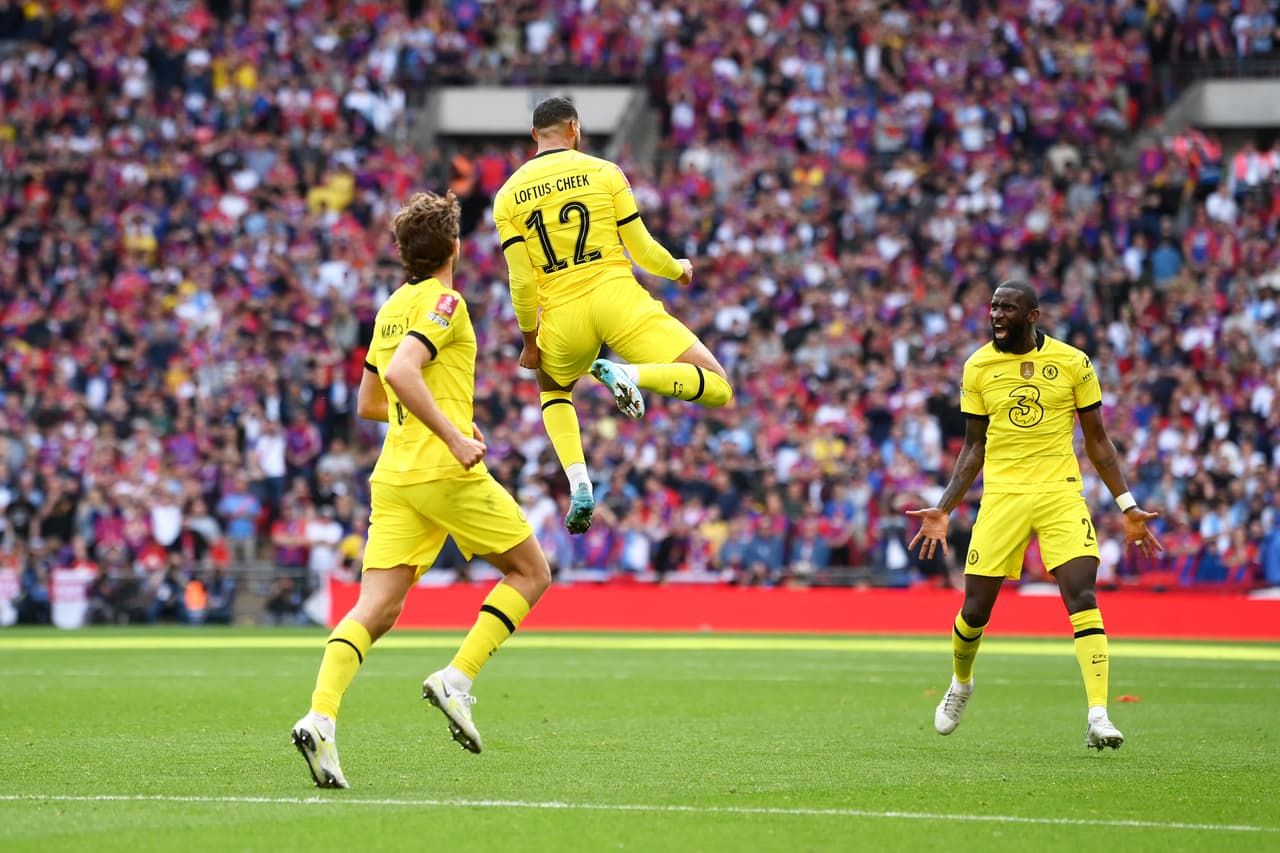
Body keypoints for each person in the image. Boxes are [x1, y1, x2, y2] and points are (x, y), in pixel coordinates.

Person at [291, 191, 553, 788]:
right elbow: (404, 374)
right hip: (441, 471)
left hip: (394, 477)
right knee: (530, 572)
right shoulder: (445, 301)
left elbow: (369, 402)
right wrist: (454, 436)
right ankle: (456, 679)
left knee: (376, 609)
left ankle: (321, 717)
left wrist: (447, 418)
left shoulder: (390, 307)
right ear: (455, 247)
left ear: (402, 252)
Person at [905, 281, 1163, 750]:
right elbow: (973, 448)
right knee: (975, 610)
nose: (997, 314)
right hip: (1003, 497)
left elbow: (1098, 441)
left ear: (1033, 315)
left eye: (1008, 308)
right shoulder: (978, 366)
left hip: (1060, 493)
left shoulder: (1073, 362)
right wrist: (944, 508)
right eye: (994, 307)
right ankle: (961, 683)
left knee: (1082, 594)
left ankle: (1098, 715)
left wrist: (1127, 505)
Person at [492, 96, 733, 535]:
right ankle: (632, 376)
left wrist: (530, 341)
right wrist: (678, 269)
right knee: (717, 386)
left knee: (553, 389)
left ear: (534, 136)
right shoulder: (605, 173)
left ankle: (579, 481)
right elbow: (642, 251)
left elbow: (521, 282)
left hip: (562, 316)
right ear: (575, 129)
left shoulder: (508, 196)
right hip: (617, 297)